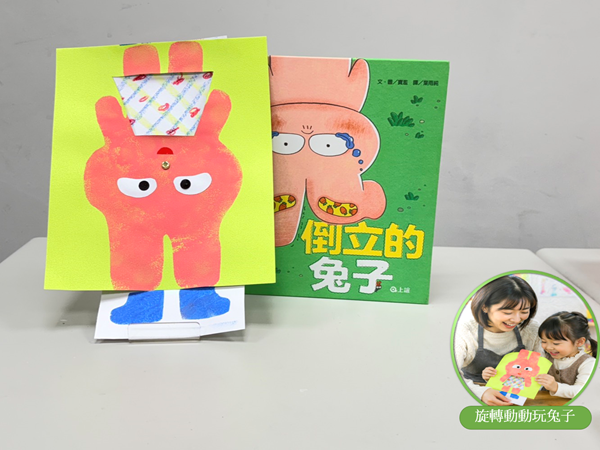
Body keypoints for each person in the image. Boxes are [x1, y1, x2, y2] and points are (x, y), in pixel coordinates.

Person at [454, 275, 542, 406]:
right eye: (507, 312)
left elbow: (541, 371)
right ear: (485, 307)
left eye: (524, 311)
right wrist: (480, 392)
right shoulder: (465, 331)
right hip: (470, 397)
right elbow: (449, 374)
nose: (516, 319)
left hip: (517, 398)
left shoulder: (532, 330)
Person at [535, 311, 597, 398]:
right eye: (544, 341)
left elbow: (582, 391)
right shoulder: (546, 357)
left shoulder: (588, 363)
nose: (548, 347)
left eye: (556, 343)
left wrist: (556, 387)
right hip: (547, 403)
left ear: (579, 342)